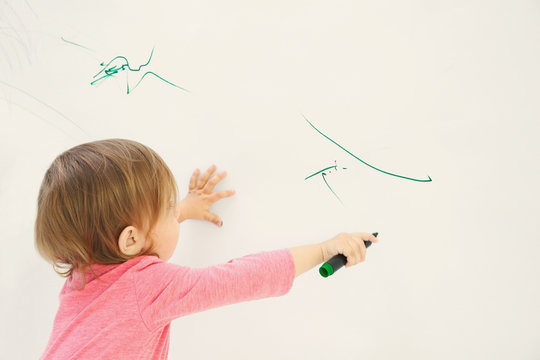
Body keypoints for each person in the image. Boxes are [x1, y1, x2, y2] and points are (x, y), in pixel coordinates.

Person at [35, 139, 378, 360]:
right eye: (169, 209)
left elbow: (133, 238)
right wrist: (322, 250)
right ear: (130, 240)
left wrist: (183, 209)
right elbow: (239, 278)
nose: (175, 212)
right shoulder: (146, 285)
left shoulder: (82, 272)